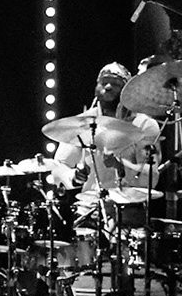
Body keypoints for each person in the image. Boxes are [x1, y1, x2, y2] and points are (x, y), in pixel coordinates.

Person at [51, 61, 163, 234]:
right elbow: (58, 167)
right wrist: (74, 176)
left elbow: (152, 177)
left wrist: (121, 166)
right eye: (103, 82)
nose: (108, 86)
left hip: (130, 209)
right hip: (90, 208)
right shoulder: (81, 123)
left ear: (127, 90)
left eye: (116, 84)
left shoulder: (145, 125)